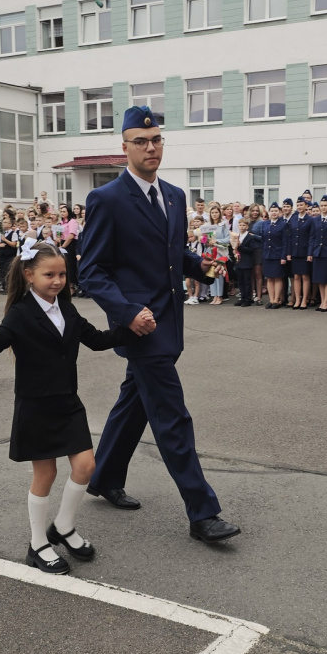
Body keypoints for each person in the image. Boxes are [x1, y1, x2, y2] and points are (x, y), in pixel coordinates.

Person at [78, 106, 240, 543]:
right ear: (125, 147)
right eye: (141, 142)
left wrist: (201, 267)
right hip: (140, 326)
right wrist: (126, 312)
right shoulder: (107, 199)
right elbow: (91, 271)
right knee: (171, 415)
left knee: (134, 403)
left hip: (170, 320)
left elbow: (171, 253)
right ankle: (203, 513)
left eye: (156, 140)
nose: (150, 148)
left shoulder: (173, 194)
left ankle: (103, 477)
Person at [0, 242, 134, 575]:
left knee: (86, 466)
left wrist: (133, 330)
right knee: (46, 474)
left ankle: (64, 527)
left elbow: (96, 339)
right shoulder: (20, 312)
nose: (57, 281)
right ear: (29, 275)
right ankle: (38, 543)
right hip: (36, 404)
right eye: (49, 275)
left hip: (68, 402)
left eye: (62, 274)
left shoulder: (67, 308)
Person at [262, 202, 291, 309]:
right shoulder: (265, 224)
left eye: (276, 211)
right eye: (272, 211)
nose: (274, 213)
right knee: (269, 278)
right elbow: (263, 240)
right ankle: (271, 299)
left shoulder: (283, 224)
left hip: (278, 254)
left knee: (278, 278)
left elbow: (285, 242)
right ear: (269, 212)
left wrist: (283, 256)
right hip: (267, 254)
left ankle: (276, 300)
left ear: (279, 212)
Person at [287, 198, 313, 310]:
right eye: (298, 205)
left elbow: (311, 238)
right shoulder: (293, 219)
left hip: (305, 251)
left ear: (306, 206)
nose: (299, 207)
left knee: (305, 276)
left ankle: (304, 299)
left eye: (301, 205)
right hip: (295, 251)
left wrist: (310, 253)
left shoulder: (310, 220)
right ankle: (297, 299)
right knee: (296, 276)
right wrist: (289, 252)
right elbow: (290, 237)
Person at [233, 220, 260, 306]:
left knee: (247, 281)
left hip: (247, 261)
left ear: (247, 227)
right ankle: (243, 297)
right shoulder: (237, 236)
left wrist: (240, 246)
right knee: (240, 281)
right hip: (238, 261)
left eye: (243, 225)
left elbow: (251, 249)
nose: (242, 227)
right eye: (240, 225)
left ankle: (248, 298)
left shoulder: (250, 237)